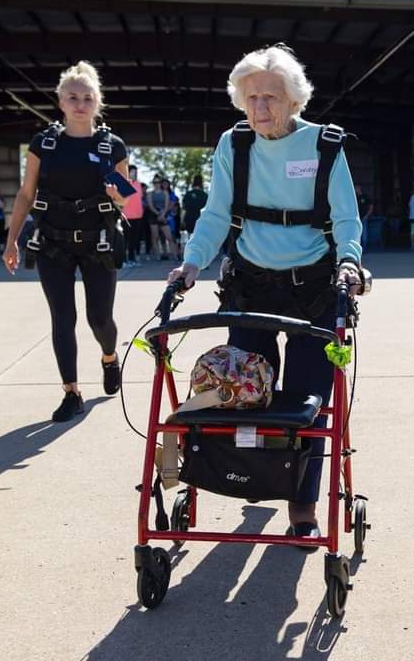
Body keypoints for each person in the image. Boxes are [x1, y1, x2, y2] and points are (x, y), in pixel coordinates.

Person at [167, 43, 362, 546]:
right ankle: (254, 475)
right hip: (250, 283)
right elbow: (215, 214)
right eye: (251, 97)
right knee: (245, 394)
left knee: (308, 401)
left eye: (271, 97)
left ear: (294, 100)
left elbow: (345, 218)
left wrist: (350, 261)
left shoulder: (325, 147)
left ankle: (302, 505)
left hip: (314, 288)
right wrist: (191, 263)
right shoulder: (234, 147)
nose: (261, 108)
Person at [3, 61, 130, 422]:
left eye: (87, 98)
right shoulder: (44, 143)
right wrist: (12, 240)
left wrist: (115, 192)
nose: (80, 103)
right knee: (63, 317)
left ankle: (109, 357)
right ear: (60, 101)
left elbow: (125, 198)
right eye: (72, 97)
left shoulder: (112, 145)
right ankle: (71, 392)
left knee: (99, 318)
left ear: (97, 103)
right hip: (52, 243)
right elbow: (26, 194)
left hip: (98, 243)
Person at [146, 176, 173, 260]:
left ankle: (173, 254)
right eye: (155, 182)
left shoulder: (165, 192)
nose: (156, 184)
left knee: (169, 236)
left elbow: (166, 205)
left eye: (158, 182)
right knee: (155, 236)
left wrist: (162, 214)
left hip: (163, 215)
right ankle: (157, 255)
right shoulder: (150, 193)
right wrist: (157, 213)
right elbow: (150, 206)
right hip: (153, 216)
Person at [356, 184, 373, 251]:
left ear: (359, 189)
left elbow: (371, 207)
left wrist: (367, 215)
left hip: (364, 217)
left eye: (356, 188)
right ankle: (359, 248)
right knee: (357, 233)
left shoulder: (365, 197)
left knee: (364, 233)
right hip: (357, 218)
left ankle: (365, 248)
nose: (355, 190)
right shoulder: (355, 197)